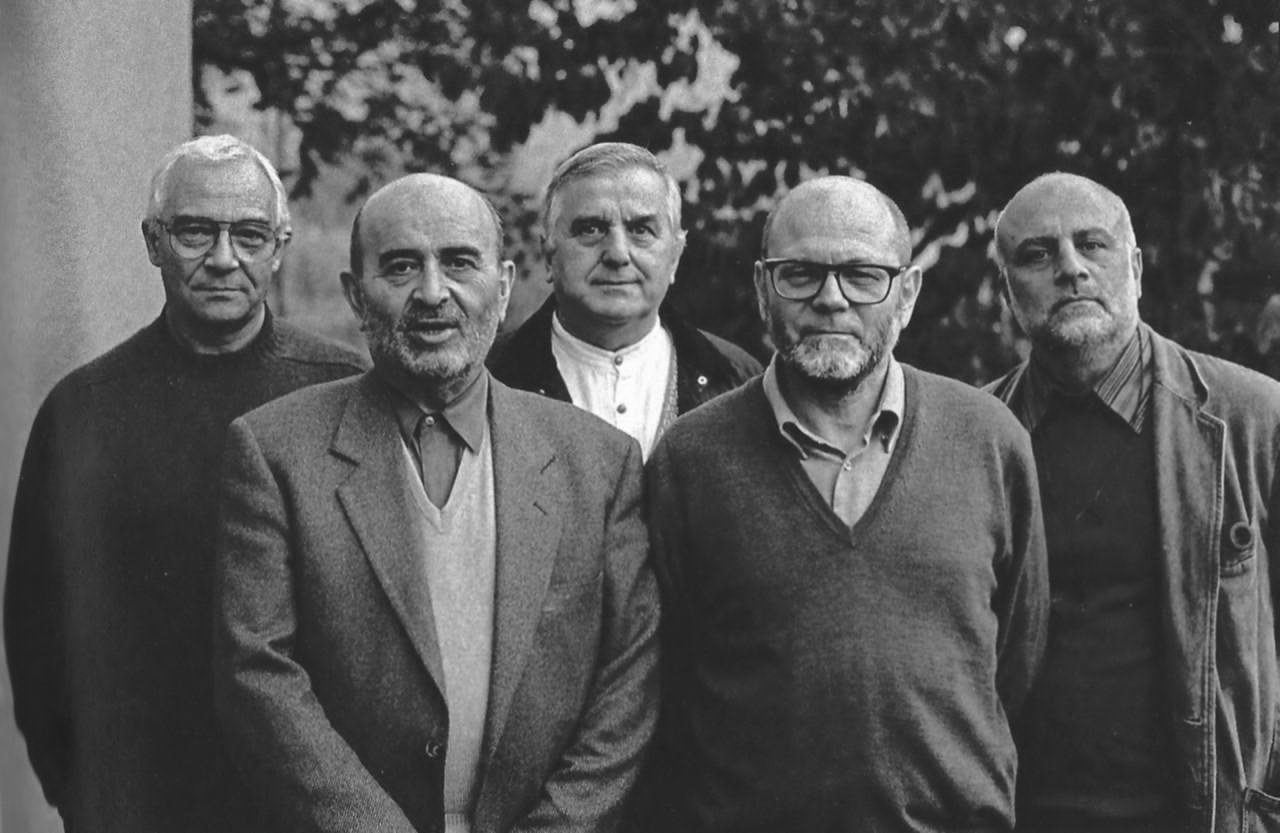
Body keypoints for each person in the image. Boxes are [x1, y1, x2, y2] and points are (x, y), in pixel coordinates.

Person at [212, 172, 659, 833]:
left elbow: (632, 672)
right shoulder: (274, 452)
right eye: (400, 266)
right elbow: (258, 674)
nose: (432, 292)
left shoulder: (598, 462)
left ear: (503, 287)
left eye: (458, 262)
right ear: (356, 295)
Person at [638, 176, 1049, 832]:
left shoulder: (988, 439)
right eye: (800, 273)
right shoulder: (690, 460)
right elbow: (668, 690)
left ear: (907, 293)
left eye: (862, 274)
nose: (831, 299)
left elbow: (1018, 665)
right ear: (762, 288)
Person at [4, 134, 368, 832]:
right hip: (140, 801)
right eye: (197, 230)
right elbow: (37, 625)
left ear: (281, 244)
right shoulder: (85, 408)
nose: (224, 258)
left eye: (250, 233)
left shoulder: (343, 391)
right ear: (153, 241)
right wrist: (78, 790)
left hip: (306, 805)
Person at [987, 172, 1280, 833]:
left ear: (1137, 267)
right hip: (1020, 815)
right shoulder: (976, 435)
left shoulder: (1252, 419)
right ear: (1007, 287)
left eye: (1093, 245)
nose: (1071, 269)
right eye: (1037, 254)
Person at [489, 142, 759, 458]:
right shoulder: (489, 378)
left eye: (641, 229)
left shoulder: (738, 379)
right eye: (591, 229)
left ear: (674, 257)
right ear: (549, 255)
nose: (617, 253)